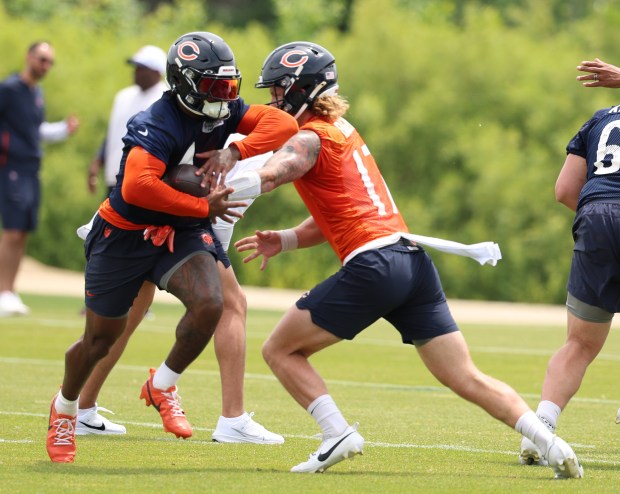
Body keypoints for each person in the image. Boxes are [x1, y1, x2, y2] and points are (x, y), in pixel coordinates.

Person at [229, 41, 583, 478]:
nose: (274, 101)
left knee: (279, 349)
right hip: (410, 261)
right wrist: (282, 240)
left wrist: (221, 187)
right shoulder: (343, 130)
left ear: (304, 88)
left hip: (375, 265)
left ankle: (336, 432)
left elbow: (275, 171)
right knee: (465, 377)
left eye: (281, 91)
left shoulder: (310, 136)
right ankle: (550, 443)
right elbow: (333, 216)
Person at [45, 31, 298, 463]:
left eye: (230, 86)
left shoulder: (223, 111)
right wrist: (202, 203)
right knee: (100, 339)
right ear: (184, 83)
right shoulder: (156, 121)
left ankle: (161, 384)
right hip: (126, 233)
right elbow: (137, 186)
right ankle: (66, 407)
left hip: (180, 230)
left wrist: (235, 152)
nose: (225, 96)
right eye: (215, 87)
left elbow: (285, 124)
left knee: (210, 303)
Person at [75, 135, 280, 444]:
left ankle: (80, 408)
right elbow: (219, 209)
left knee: (128, 314)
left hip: (137, 217)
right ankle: (232, 419)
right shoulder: (257, 155)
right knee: (230, 303)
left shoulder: (225, 134)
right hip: (165, 221)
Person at [519, 60, 620, 464]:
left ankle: (540, 428)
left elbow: (564, 190)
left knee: (579, 344)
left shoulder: (599, 119)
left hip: (594, 215)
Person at [0, 40, 79, 317]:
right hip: (11, 167)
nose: (45, 65)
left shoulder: (37, 94)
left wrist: (63, 130)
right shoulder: (9, 90)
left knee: (22, 231)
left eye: (49, 62)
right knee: (11, 231)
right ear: (29, 56)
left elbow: (35, 132)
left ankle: (9, 290)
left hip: (31, 169)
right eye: (41, 59)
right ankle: (3, 292)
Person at [87, 45, 168, 195]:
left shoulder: (164, 99)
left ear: (156, 72)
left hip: (142, 181)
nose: (136, 71)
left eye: (142, 68)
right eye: (136, 67)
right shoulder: (123, 97)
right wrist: (98, 160)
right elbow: (114, 132)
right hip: (114, 176)